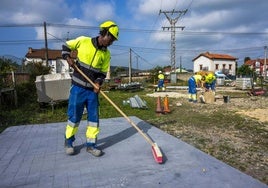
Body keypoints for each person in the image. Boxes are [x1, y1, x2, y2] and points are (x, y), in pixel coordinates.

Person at [62, 20, 119, 157]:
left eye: (113, 40)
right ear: (104, 33)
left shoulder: (106, 54)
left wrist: (98, 83)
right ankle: (69, 142)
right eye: (110, 39)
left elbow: (102, 73)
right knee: (74, 116)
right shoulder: (83, 41)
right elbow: (65, 46)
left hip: (92, 92)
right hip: (78, 88)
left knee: (93, 119)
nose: (111, 42)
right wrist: (68, 57)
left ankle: (91, 145)